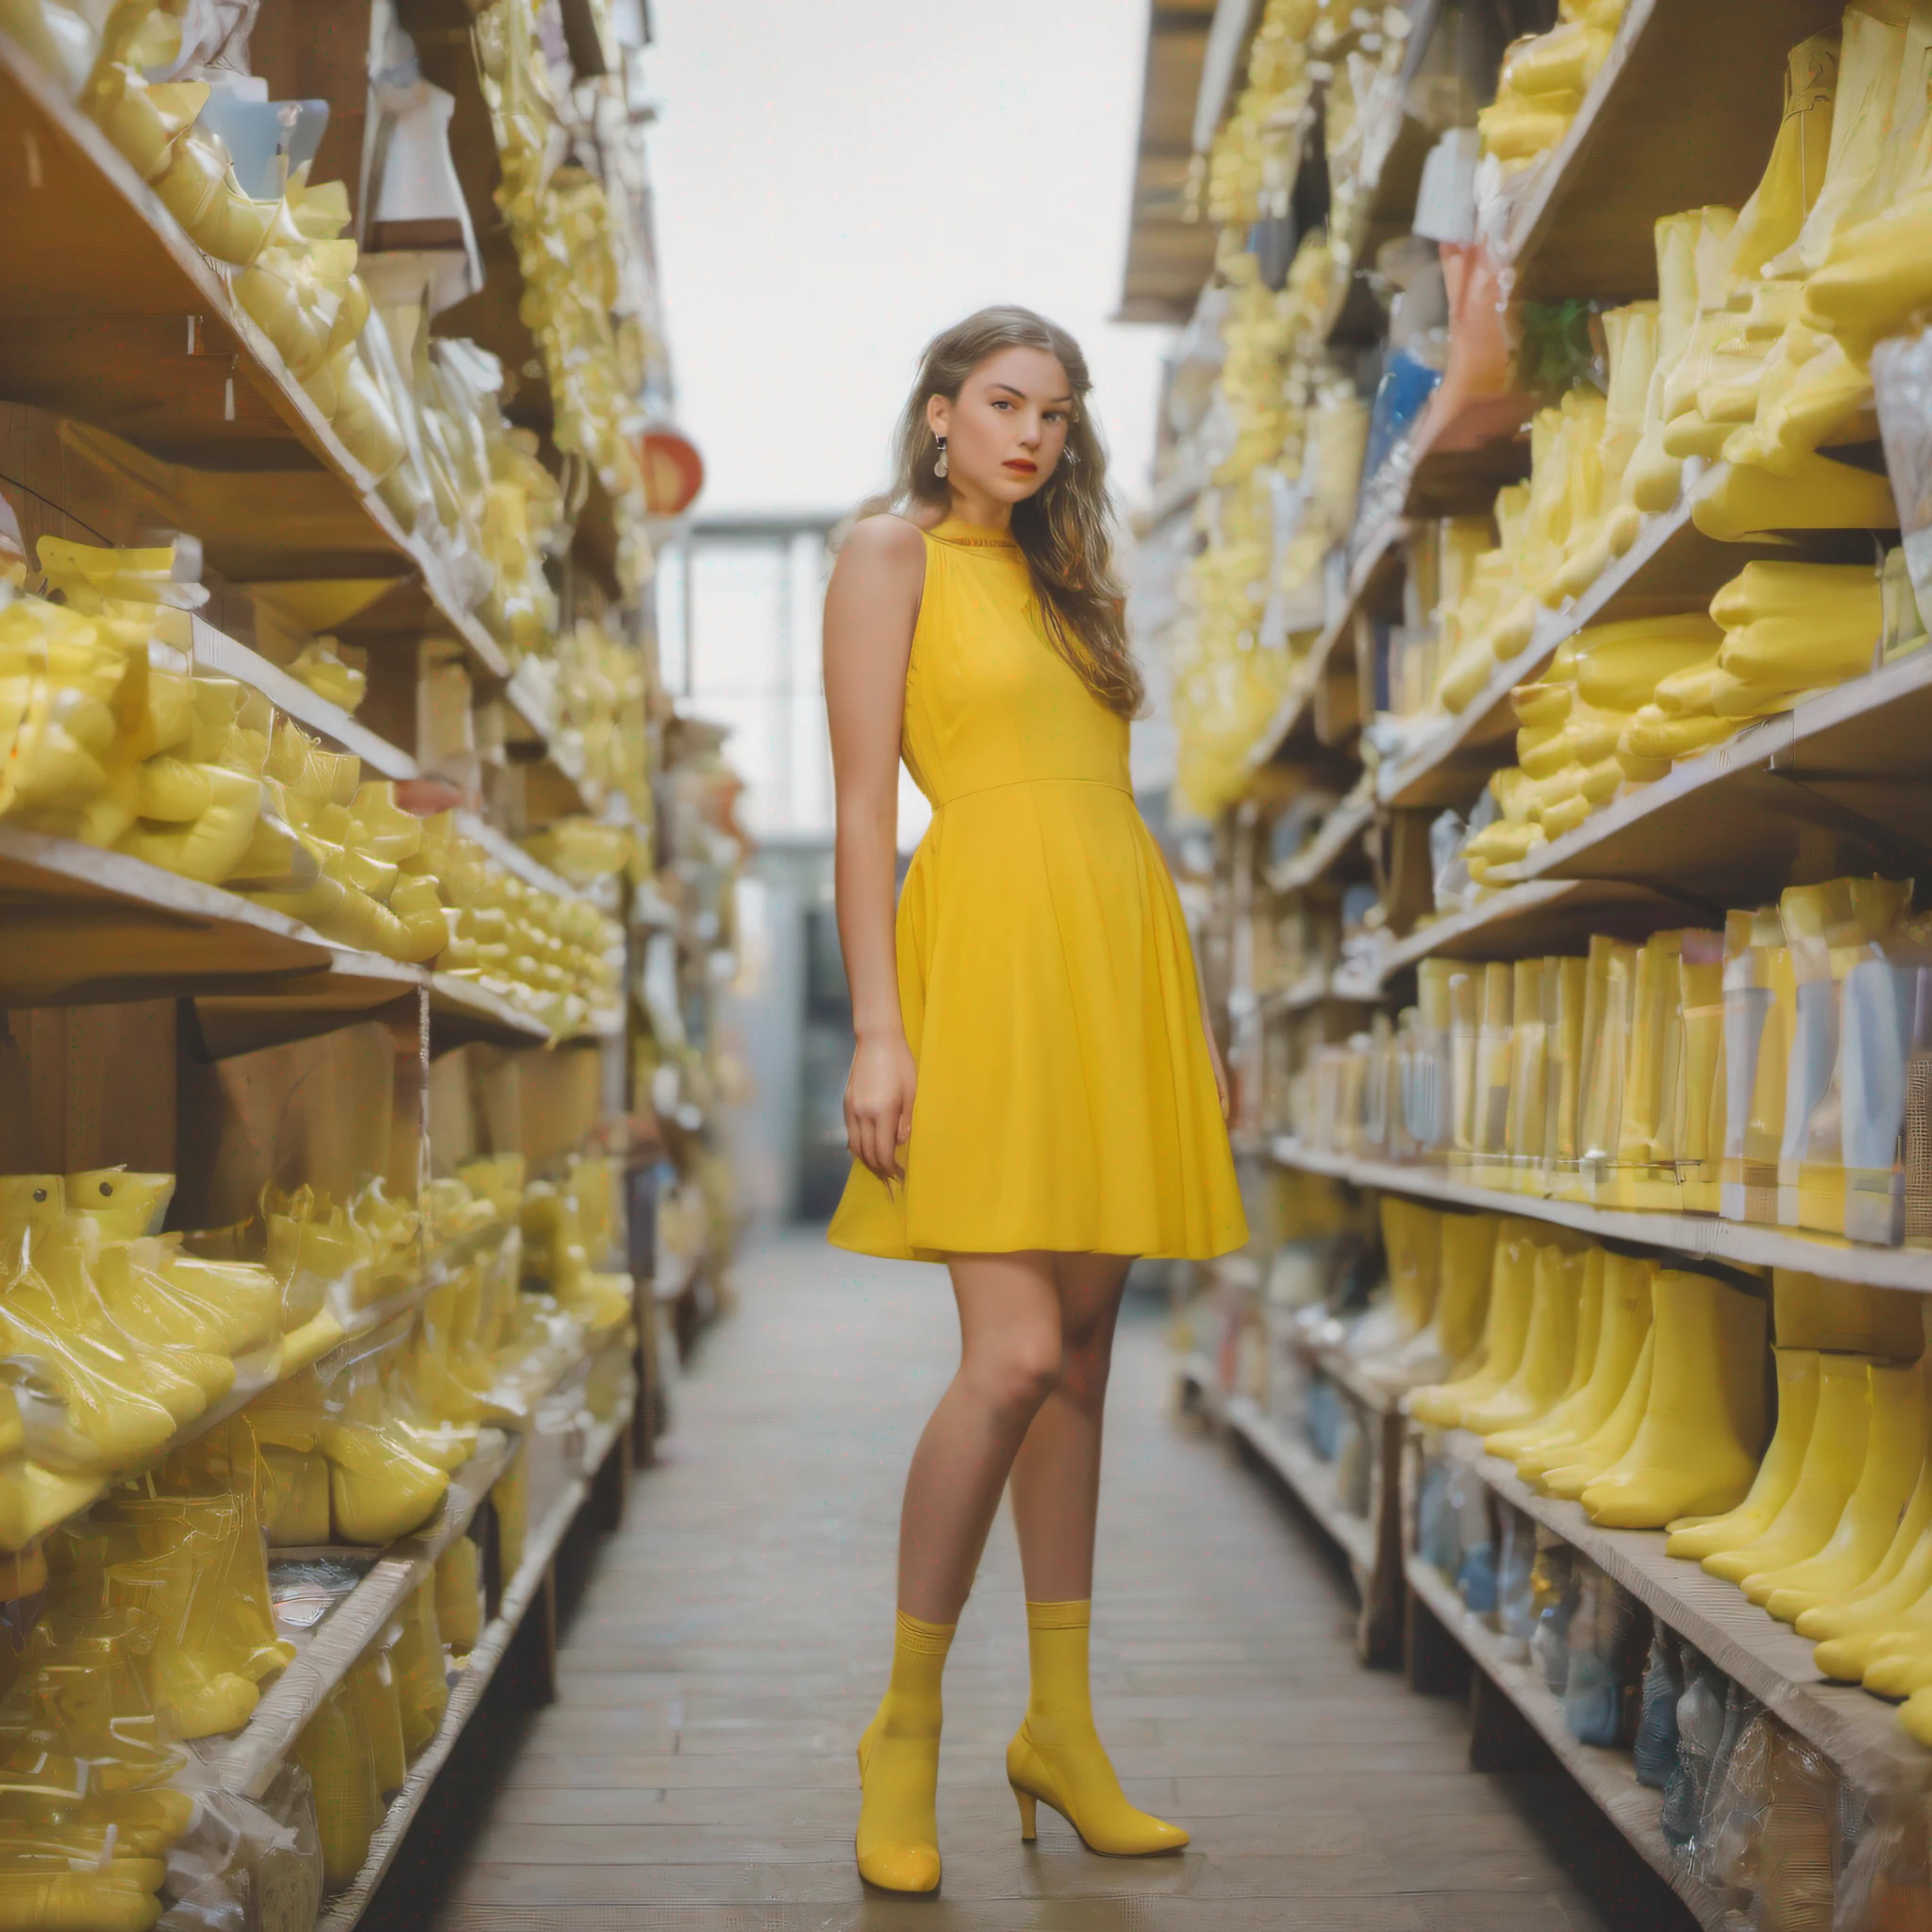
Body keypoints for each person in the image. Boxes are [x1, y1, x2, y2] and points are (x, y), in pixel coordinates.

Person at [822, 306, 1247, 1892]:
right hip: (982, 964)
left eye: (1057, 415)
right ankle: (907, 1727)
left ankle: (1059, 1730)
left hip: (1117, 963)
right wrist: (880, 1028)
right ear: (938, 412)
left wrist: (1188, 1023)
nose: (1032, 435)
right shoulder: (888, 557)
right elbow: (866, 809)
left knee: (1078, 1361)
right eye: (1004, 403)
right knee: (1005, 1360)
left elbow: (1121, 815)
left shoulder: (1075, 580)